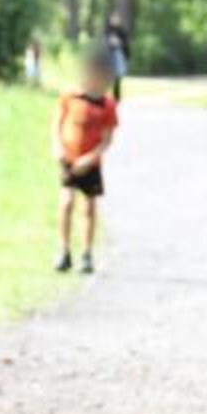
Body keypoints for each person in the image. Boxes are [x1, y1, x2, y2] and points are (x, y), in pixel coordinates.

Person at [52, 49, 120, 275]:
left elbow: (107, 140)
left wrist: (90, 158)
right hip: (69, 159)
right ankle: (63, 250)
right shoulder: (70, 96)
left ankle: (87, 253)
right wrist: (57, 147)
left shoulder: (106, 105)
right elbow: (57, 123)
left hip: (90, 164)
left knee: (89, 208)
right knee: (66, 203)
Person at [103, 16, 131, 102]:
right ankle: (105, 97)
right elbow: (103, 44)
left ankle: (116, 97)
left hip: (118, 57)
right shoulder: (107, 31)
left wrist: (119, 43)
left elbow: (126, 44)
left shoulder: (121, 32)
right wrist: (110, 42)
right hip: (108, 56)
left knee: (117, 78)